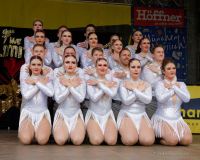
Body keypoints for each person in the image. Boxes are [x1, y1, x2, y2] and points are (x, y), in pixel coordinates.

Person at [151, 58, 192, 146]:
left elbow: (187, 99)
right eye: (168, 69)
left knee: (187, 141)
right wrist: (172, 90)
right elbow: (161, 99)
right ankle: (158, 138)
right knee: (172, 141)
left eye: (173, 68)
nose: (172, 70)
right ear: (163, 71)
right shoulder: (160, 84)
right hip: (162, 118)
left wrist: (174, 87)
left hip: (177, 119)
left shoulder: (181, 84)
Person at [118, 58, 155, 146]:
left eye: (138, 67)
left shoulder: (146, 84)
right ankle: (129, 132)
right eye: (133, 67)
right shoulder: (124, 83)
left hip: (141, 114)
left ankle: (139, 133)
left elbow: (148, 100)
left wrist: (134, 89)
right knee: (130, 140)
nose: (136, 69)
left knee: (148, 141)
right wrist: (139, 90)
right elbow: (126, 101)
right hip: (127, 114)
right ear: (129, 69)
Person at [18, 56, 54, 145]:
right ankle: (30, 131)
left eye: (39, 65)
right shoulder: (26, 79)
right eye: (33, 64)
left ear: (42, 66)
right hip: (28, 113)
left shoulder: (46, 79)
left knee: (42, 141)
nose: (36, 67)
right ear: (30, 66)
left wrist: (37, 82)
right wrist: (40, 83)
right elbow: (26, 96)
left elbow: (51, 93)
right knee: (25, 140)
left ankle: (37, 131)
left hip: (43, 113)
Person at [53, 55, 86, 145]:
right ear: (63, 65)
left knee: (77, 141)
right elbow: (58, 99)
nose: (70, 65)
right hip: (62, 113)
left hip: (76, 114)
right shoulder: (59, 79)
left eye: (73, 62)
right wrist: (71, 86)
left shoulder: (80, 80)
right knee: (60, 141)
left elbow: (80, 99)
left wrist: (68, 85)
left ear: (76, 65)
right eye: (67, 62)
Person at [85, 58, 118, 145]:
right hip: (94, 115)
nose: (102, 67)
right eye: (99, 65)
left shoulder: (112, 81)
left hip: (107, 115)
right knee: (96, 141)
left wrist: (99, 83)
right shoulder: (91, 81)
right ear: (95, 67)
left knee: (111, 141)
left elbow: (112, 94)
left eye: (105, 65)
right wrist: (105, 85)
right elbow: (94, 98)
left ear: (107, 68)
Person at [141, 45, 165, 118]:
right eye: (158, 52)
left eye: (162, 52)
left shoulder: (167, 67)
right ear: (153, 55)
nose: (161, 54)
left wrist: (159, 72)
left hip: (166, 101)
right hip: (153, 100)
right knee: (151, 126)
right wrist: (162, 75)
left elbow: (173, 80)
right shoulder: (148, 67)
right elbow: (151, 85)